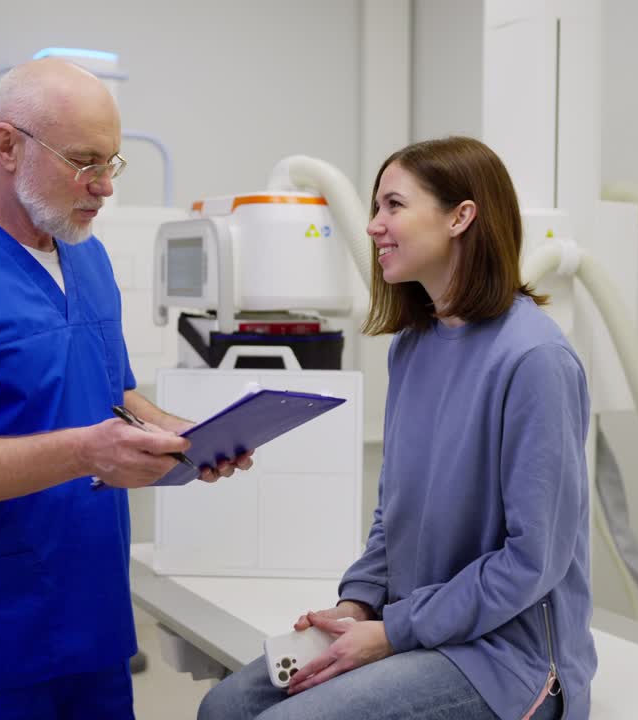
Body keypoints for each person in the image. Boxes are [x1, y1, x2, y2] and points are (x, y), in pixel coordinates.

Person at [0, 58, 250, 720]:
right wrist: (86, 453)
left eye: (113, 164)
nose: (104, 188)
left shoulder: (86, 255)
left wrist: (184, 437)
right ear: (7, 146)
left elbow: (115, 392)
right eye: (84, 161)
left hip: (92, 619)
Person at [198, 136, 597, 720]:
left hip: (509, 659)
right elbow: (394, 513)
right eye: (375, 208)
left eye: (393, 206)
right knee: (224, 708)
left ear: (461, 216)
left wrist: (395, 630)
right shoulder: (414, 347)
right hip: (418, 627)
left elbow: (532, 561)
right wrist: (358, 605)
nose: (373, 226)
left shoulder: (535, 360)